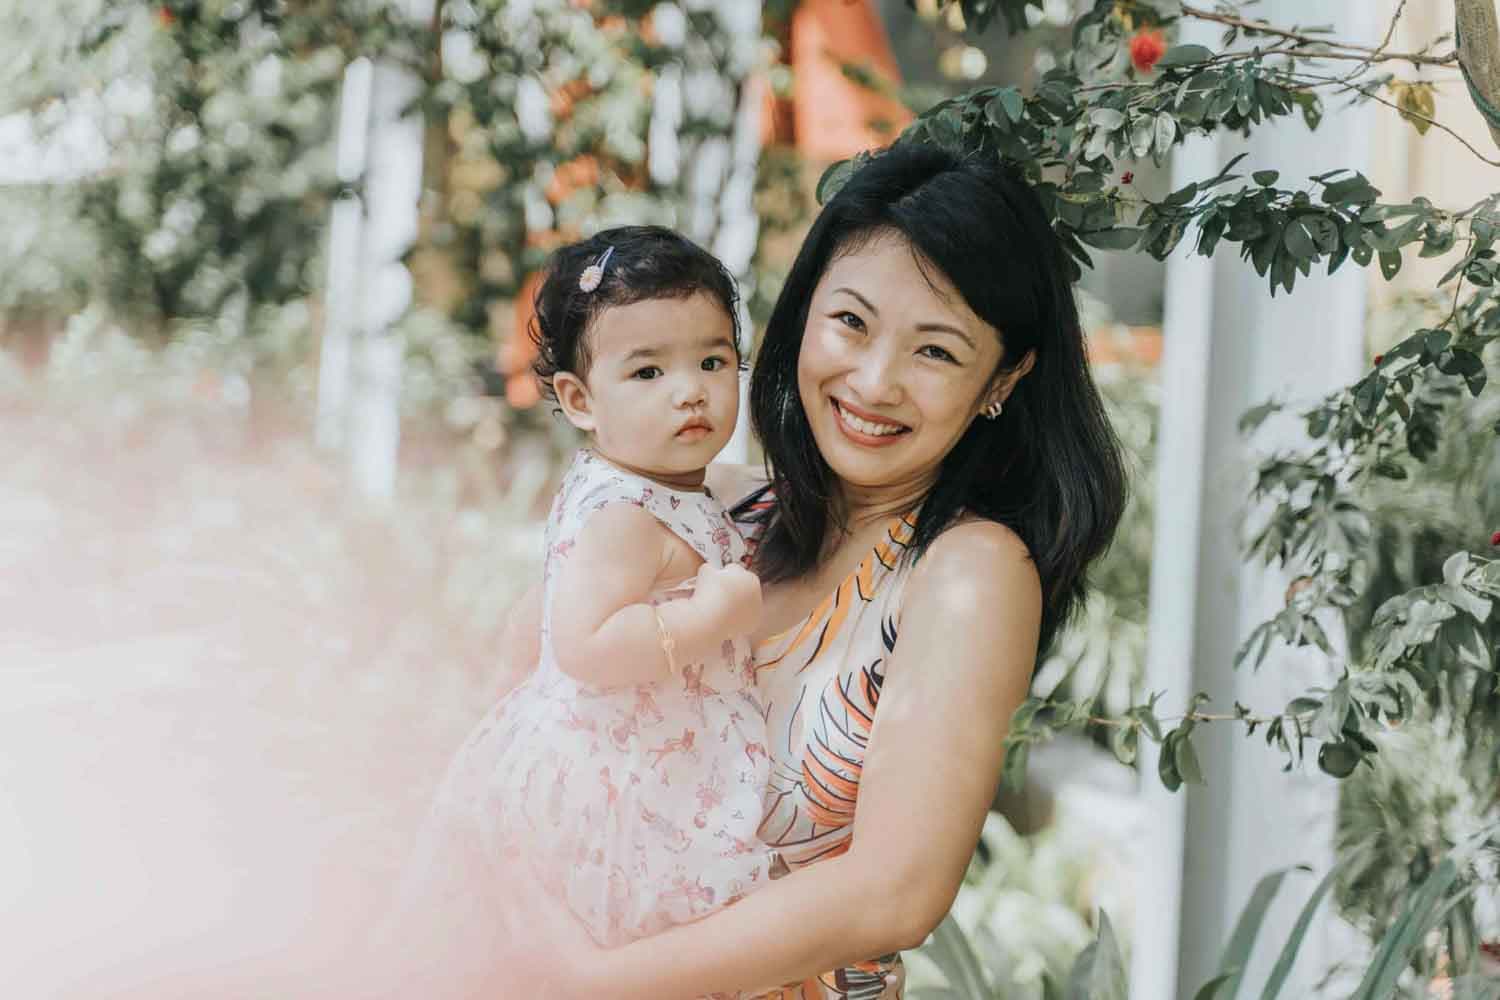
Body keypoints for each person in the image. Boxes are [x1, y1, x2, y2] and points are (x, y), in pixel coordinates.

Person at [485, 140, 1128, 999]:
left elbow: (892, 894)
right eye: (851, 323)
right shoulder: (714, 507)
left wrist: (598, 979)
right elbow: (523, 683)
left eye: (934, 352)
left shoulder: (969, 572)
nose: (873, 380)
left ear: (1001, 379)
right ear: (802, 312)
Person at [381, 226, 776, 993]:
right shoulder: (624, 513)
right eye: (648, 370)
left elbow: (723, 499)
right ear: (579, 401)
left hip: (634, 751)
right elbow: (586, 644)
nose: (689, 389)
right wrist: (710, 617)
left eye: (713, 360)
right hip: (618, 784)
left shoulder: (661, 478)